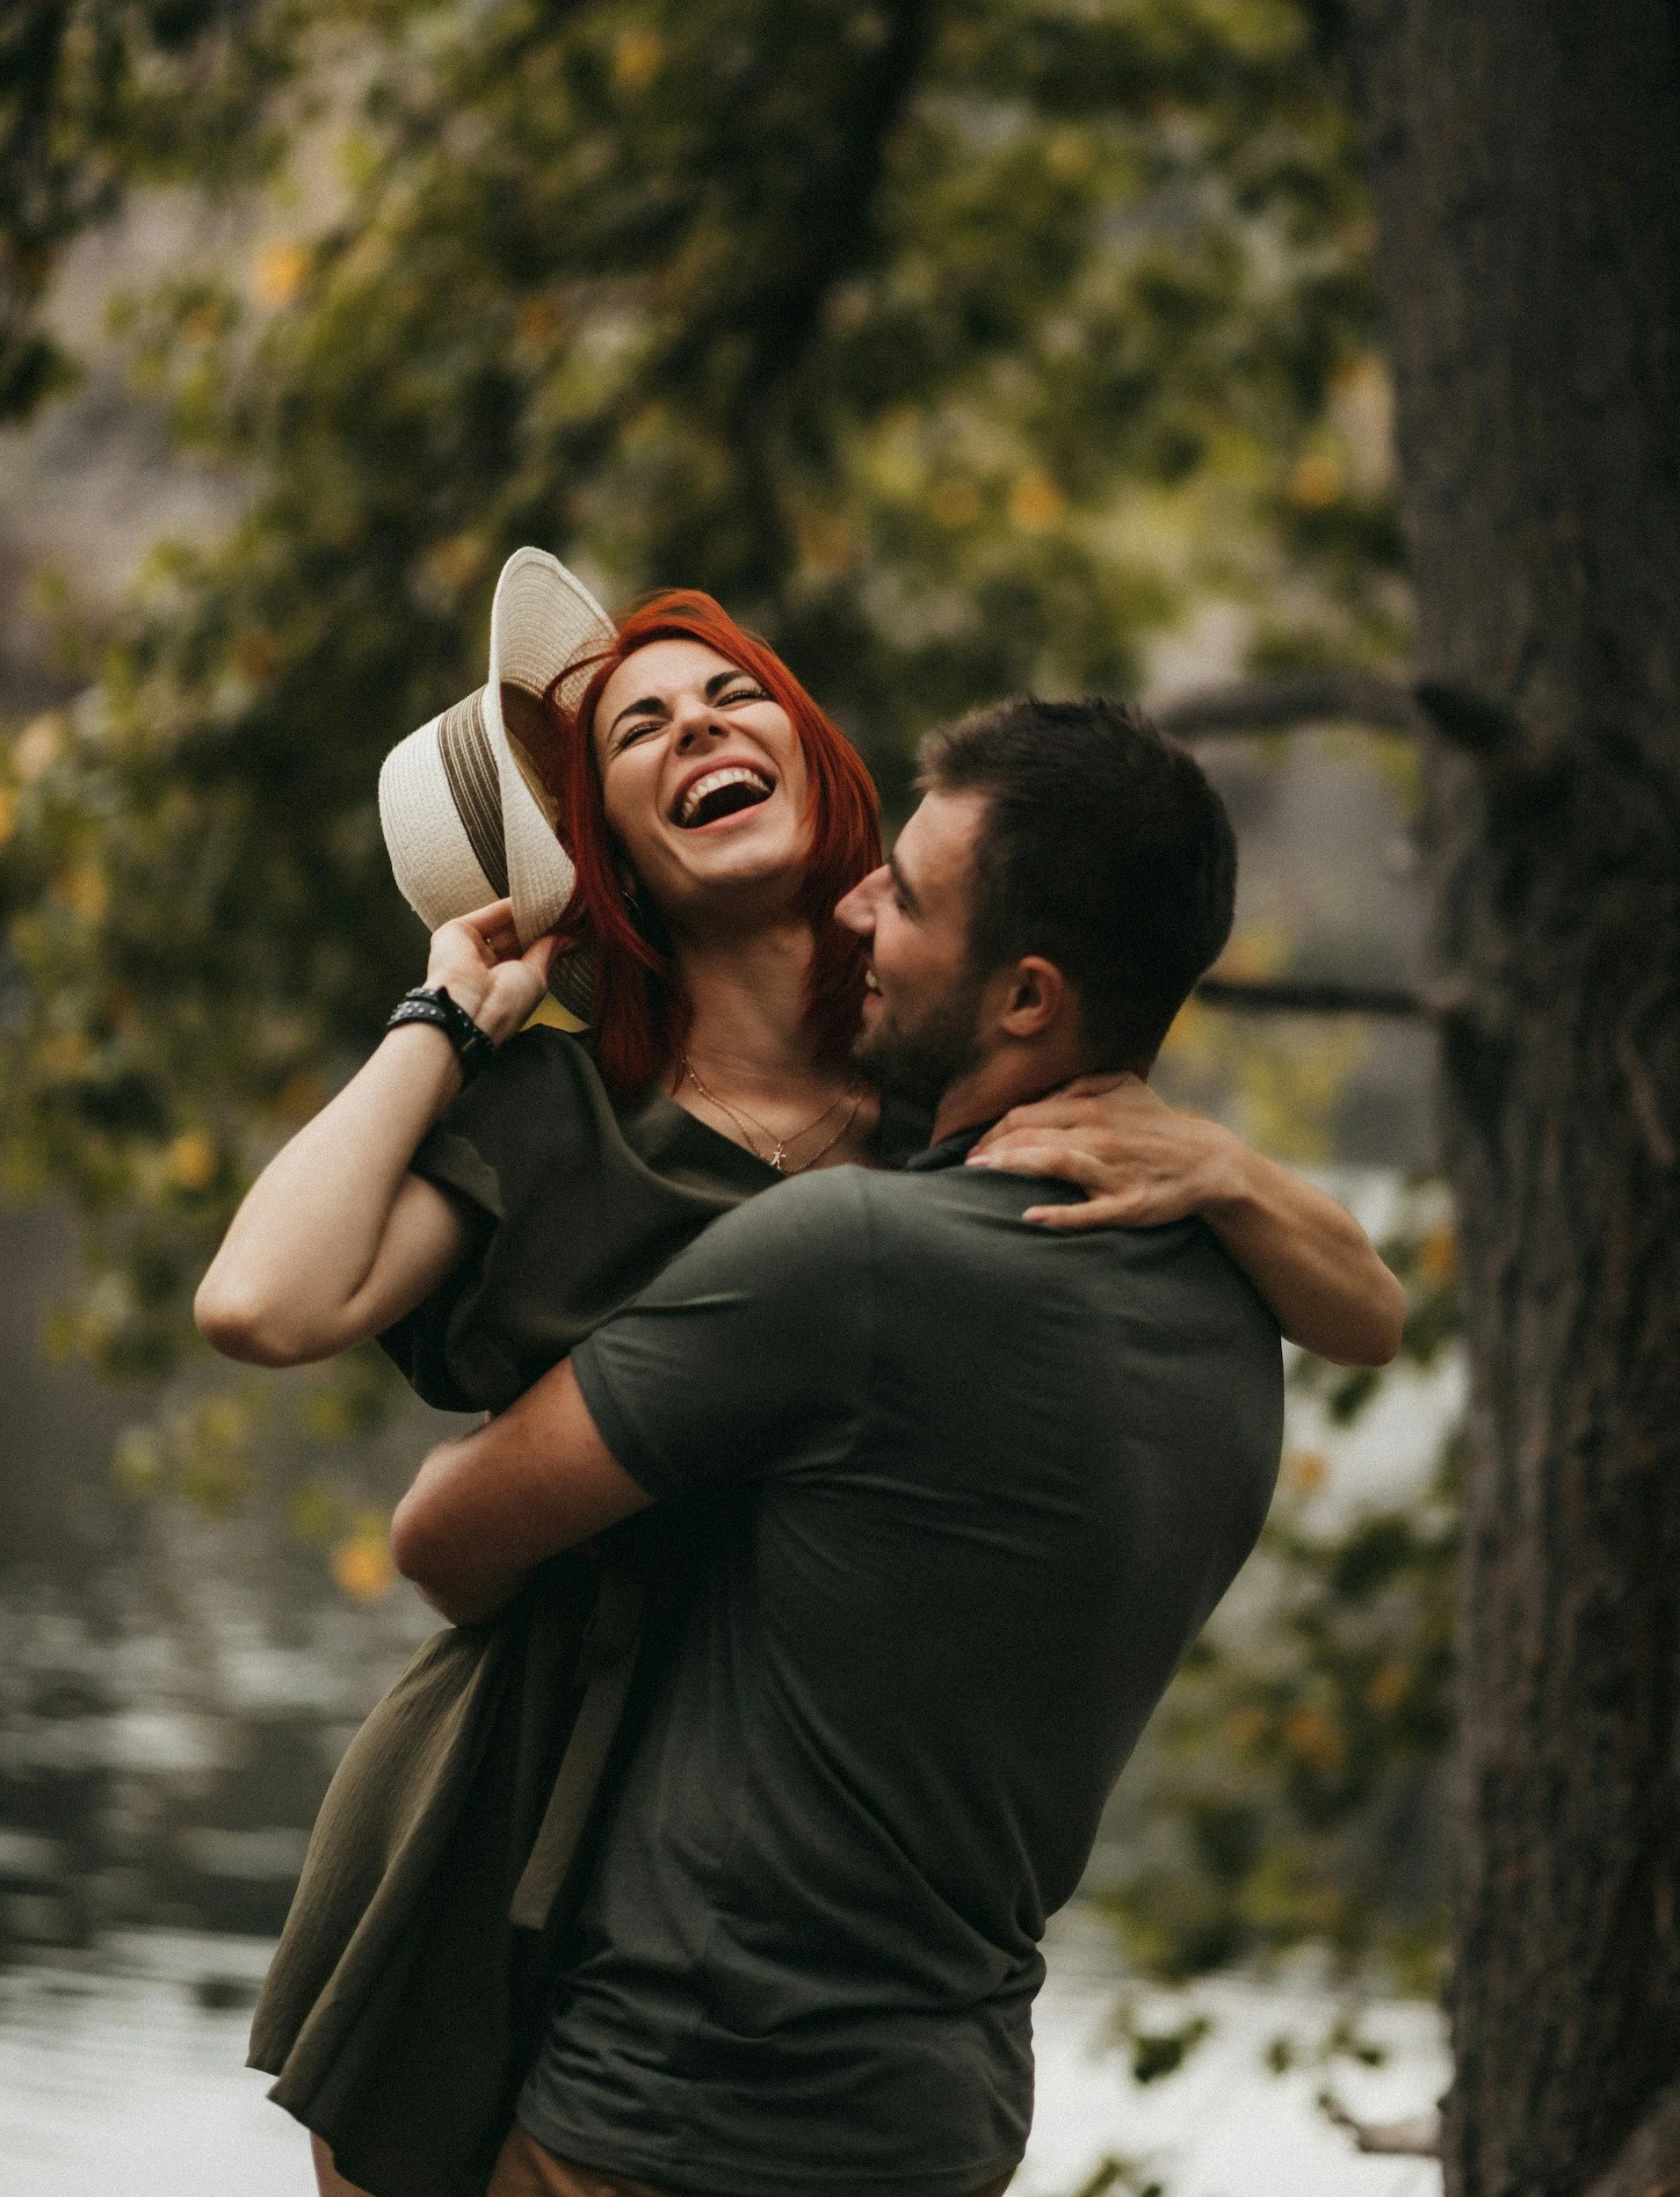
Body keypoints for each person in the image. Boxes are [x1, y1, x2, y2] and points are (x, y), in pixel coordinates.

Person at [197, 555, 1401, 2197]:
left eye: (730, 694)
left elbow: (1365, 1317)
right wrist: (447, 1014)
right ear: (603, 849)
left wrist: (1229, 1170)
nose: (697, 727)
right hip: (508, 1794)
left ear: (819, 768)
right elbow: (261, 1303)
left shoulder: (956, 1100)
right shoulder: (565, 1126)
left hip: (766, 1871)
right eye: (638, 733)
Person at [387, 693, 1292, 2197]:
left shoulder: (849, 1257)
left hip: (673, 2110)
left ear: (1024, 1001)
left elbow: (442, 1537)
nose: (856, 902)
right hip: (942, 2122)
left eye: (912, 897)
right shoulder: (1236, 1304)